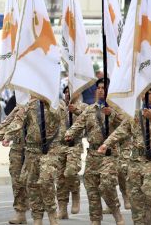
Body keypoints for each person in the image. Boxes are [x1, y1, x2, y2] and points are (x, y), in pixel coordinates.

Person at [98, 84, 151, 225]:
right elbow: (121, 130)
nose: (146, 96)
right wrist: (106, 144)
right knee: (135, 196)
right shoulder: (135, 114)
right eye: (143, 93)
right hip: (135, 160)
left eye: (150, 93)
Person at [65, 78, 125, 225]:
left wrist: (112, 114)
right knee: (91, 187)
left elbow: (127, 125)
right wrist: (69, 133)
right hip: (92, 154)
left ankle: (116, 211)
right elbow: (78, 124)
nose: (100, 90)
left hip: (109, 154)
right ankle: (95, 220)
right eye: (98, 88)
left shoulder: (116, 109)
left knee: (106, 184)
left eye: (103, 88)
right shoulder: (90, 109)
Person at [0, 96, 61, 225]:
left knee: (46, 181)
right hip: (32, 151)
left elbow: (58, 117)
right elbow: (18, 121)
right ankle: (37, 218)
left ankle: (52, 215)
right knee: (31, 185)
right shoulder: (28, 106)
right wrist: (8, 135)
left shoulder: (56, 103)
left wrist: (47, 103)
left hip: (50, 150)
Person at [0, 103, 29, 224]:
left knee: (35, 182)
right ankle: (20, 212)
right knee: (17, 182)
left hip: (36, 150)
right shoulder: (19, 109)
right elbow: (6, 124)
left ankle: (43, 212)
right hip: (17, 149)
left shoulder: (47, 105)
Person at [56, 86, 87, 219]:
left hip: (75, 145)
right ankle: (62, 208)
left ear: (78, 93)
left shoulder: (85, 107)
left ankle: (75, 192)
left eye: (71, 92)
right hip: (60, 145)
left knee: (70, 172)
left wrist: (77, 111)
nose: (68, 94)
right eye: (66, 92)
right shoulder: (59, 106)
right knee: (60, 178)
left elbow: (89, 119)